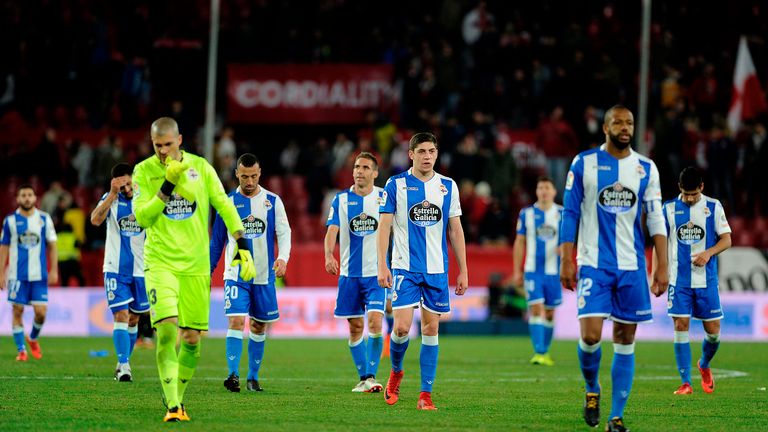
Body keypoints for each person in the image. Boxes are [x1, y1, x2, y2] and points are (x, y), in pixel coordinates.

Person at [132, 117, 255, 422]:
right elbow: (143, 218)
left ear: (180, 140)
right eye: (157, 146)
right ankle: (173, 405)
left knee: (191, 340)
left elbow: (225, 205)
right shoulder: (143, 172)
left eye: (168, 145)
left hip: (196, 266)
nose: (162, 151)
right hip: (160, 262)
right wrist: (167, 184)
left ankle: (178, 396)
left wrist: (242, 244)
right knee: (167, 330)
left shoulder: (200, 167)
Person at [560, 105, 669, 432]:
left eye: (630, 122)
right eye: (618, 122)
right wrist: (567, 258)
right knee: (591, 336)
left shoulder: (645, 168)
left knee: (625, 338)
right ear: (605, 127)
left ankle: (616, 417)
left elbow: (655, 218)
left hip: (632, 266)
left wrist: (661, 264)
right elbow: (569, 212)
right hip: (593, 262)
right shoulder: (584, 163)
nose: (625, 127)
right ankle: (592, 387)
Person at [377, 132, 468, 410]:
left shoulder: (448, 186)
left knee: (431, 328)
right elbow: (384, 226)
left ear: (437, 154)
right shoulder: (396, 184)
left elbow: (455, 229)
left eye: (432, 151)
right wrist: (382, 263)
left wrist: (463, 269)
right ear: (411, 154)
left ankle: (425, 395)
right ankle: (396, 372)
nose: (427, 156)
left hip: (437, 270)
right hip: (404, 266)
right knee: (402, 328)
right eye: (422, 151)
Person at [210, 153, 291, 393]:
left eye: (253, 176)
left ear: (260, 173)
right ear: (237, 174)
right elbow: (217, 242)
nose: (249, 181)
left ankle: (253, 377)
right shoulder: (227, 202)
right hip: (237, 274)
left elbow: (284, 232)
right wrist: (208, 271)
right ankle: (233, 375)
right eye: (244, 176)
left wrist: (283, 257)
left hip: (264, 276)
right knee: (236, 320)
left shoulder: (272, 201)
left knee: (258, 326)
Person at [663, 167, 731, 395]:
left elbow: (727, 240)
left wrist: (709, 252)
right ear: (679, 188)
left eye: (694, 193)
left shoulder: (713, 206)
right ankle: (686, 383)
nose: (690, 198)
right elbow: (660, 243)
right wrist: (657, 273)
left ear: (702, 187)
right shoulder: (669, 209)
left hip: (706, 281)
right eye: (686, 193)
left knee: (713, 333)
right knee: (680, 326)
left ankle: (704, 364)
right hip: (678, 281)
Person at [324, 152, 386, 393]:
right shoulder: (340, 200)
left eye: (365, 167)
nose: (359, 171)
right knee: (355, 327)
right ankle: (364, 378)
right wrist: (329, 254)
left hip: (376, 274)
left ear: (375, 173)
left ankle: (371, 375)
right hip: (350, 275)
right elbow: (332, 231)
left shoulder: (383, 197)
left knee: (375, 322)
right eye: (357, 167)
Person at [90, 163, 148, 382]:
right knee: (121, 316)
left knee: (133, 319)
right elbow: (95, 220)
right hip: (115, 268)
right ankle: (124, 366)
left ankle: (123, 361)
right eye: (120, 186)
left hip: (142, 270)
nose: (126, 190)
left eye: (128, 184)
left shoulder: (145, 197)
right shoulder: (110, 198)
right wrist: (112, 194)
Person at [0, 184, 58, 361]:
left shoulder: (44, 218)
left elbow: (53, 244)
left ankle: (32, 338)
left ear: (35, 198)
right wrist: (1, 272)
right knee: (17, 310)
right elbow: (4, 246)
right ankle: (21, 350)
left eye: (30, 195)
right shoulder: (10, 221)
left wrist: (54, 269)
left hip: (39, 275)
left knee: (41, 313)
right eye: (23, 195)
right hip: (17, 275)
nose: (27, 198)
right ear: (17, 199)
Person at [511, 176, 564, 366]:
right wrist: (517, 270)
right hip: (533, 271)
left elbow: (570, 241)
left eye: (547, 188)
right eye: (540, 187)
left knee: (549, 313)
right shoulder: (526, 214)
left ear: (553, 192)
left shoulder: (562, 214)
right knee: (535, 309)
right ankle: (539, 352)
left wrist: (565, 250)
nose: (544, 191)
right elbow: (519, 242)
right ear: (536, 191)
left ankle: (546, 351)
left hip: (555, 272)